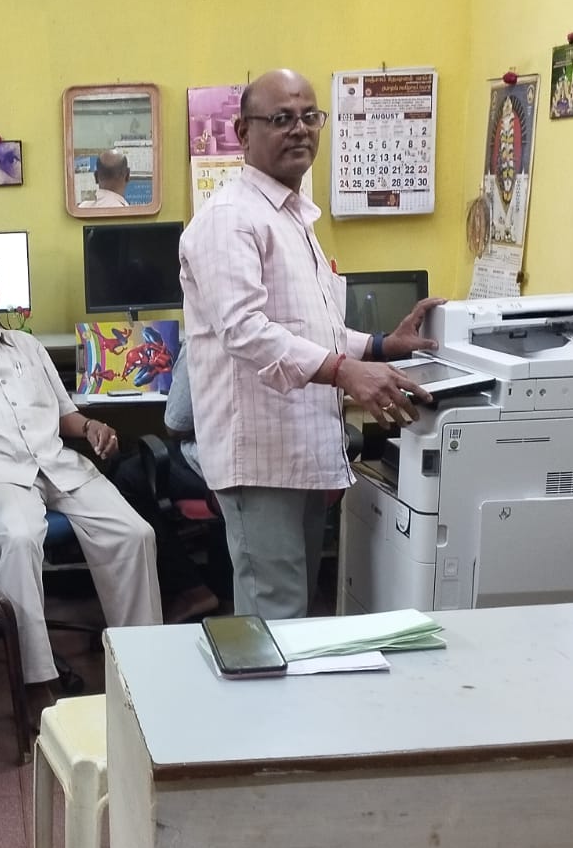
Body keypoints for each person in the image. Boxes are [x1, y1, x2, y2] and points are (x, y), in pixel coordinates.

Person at [179, 68, 443, 620]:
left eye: (309, 117)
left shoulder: (294, 218)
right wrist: (344, 371)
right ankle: (264, 684)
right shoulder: (230, 218)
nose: (299, 130)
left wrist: (383, 346)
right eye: (281, 119)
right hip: (260, 455)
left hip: (301, 447)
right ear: (243, 132)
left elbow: (310, 328)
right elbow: (244, 329)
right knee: (275, 612)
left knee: (295, 607)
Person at [0, 255, 161, 699]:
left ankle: (143, 663)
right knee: (18, 539)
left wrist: (90, 426)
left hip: (58, 465)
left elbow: (65, 415)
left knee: (135, 533)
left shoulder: (29, 347)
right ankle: (36, 680)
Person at [106, 345, 224, 623]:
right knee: (138, 460)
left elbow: (176, 423)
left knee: (125, 476)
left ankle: (190, 588)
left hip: (214, 468)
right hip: (269, 466)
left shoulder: (201, 342)